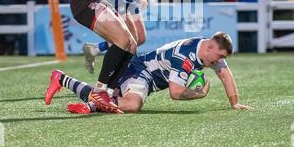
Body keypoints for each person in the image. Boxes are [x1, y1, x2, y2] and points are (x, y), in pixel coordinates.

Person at [45, 32, 252, 114]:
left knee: (114, 99)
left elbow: (225, 74)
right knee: (133, 105)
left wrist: (234, 102)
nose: (218, 62)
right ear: (210, 48)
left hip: (141, 68)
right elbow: (176, 93)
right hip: (140, 71)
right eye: (218, 57)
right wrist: (200, 93)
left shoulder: (207, 48)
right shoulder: (185, 58)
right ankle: (91, 106)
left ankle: (61, 78)